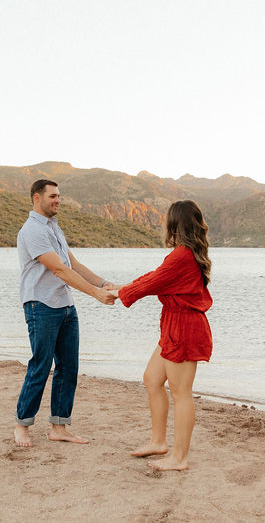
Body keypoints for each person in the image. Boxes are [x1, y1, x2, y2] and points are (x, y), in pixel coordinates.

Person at [108, 199, 213, 471]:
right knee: (152, 379)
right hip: (173, 326)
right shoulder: (184, 253)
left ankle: (180, 458)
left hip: (185, 328)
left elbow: (155, 282)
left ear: (174, 223)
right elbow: (156, 276)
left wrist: (122, 294)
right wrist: (124, 287)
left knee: (181, 393)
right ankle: (159, 442)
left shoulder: (183, 255)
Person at [14, 179, 117, 448]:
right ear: (37, 198)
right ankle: (22, 424)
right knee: (40, 365)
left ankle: (59, 426)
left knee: (69, 367)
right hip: (41, 305)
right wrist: (95, 295)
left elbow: (74, 264)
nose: (58, 200)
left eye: (59, 195)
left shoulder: (54, 229)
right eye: (52, 196)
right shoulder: (32, 231)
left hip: (65, 306)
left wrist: (104, 284)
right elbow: (58, 270)